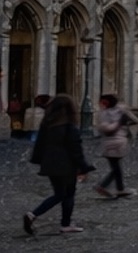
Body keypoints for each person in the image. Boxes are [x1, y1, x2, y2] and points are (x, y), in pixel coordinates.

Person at [23, 94, 87, 235]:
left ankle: (32, 215)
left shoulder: (47, 124)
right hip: (66, 166)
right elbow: (75, 149)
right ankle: (65, 224)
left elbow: (39, 146)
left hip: (50, 165)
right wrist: (83, 167)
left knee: (59, 194)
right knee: (68, 194)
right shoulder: (69, 126)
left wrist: (41, 161)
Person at [92, 94, 138, 199]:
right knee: (116, 167)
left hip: (109, 143)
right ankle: (104, 186)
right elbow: (133, 120)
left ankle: (120, 188)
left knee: (116, 166)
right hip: (118, 142)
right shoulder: (119, 112)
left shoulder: (104, 113)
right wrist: (122, 123)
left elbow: (103, 128)